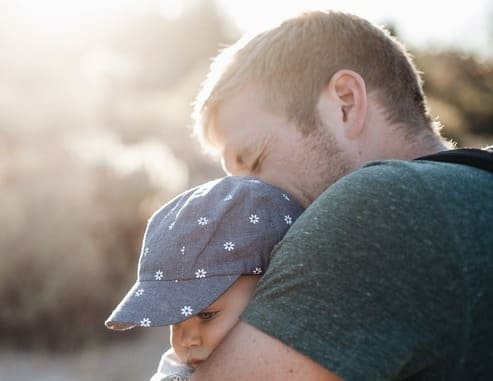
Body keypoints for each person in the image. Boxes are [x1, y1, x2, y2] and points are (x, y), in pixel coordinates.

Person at [186, 10, 493, 380]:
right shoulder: (474, 188)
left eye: (254, 159)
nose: (245, 198)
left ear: (345, 103)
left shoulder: (378, 207)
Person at [104, 176, 303, 380]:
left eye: (207, 315)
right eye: (176, 320)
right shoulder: (177, 372)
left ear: (270, 287)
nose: (187, 340)